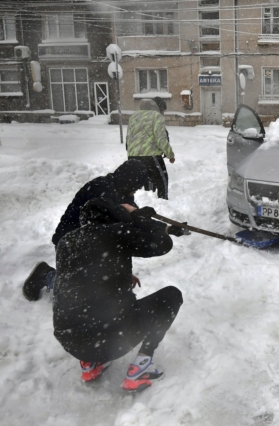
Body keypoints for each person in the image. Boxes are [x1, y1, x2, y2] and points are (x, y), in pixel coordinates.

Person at [53, 198, 184, 391]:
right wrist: (140, 218)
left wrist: (119, 273)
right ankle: (142, 369)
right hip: (112, 339)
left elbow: (79, 276)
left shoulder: (66, 242)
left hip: (71, 340)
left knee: (86, 310)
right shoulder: (115, 232)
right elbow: (163, 243)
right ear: (114, 217)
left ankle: (90, 364)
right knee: (172, 296)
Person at [22, 159, 149, 302]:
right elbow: (110, 236)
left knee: (105, 287)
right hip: (70, 243)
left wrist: (166, 228)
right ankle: (45, 275)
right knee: (83, 295)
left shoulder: (122, 191)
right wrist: (119, 272)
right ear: (129, 181)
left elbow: (131, 224)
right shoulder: (102, 191)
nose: (136, 191)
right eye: (136, 186)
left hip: (89, 243)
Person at [126, 97, 175, 200]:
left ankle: (147, 202)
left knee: (146, 181)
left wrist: (132, 153)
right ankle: (163, 203)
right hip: (151, 156)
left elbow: (129, 138)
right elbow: (161, 138)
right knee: (162, 180)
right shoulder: (156, 116)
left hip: (133, 156)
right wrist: (170, 154)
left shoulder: (133, 117)